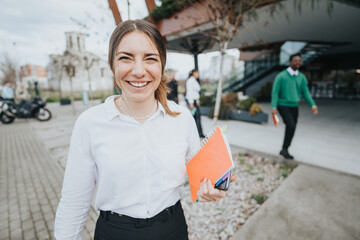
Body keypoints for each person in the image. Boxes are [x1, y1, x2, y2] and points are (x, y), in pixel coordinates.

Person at [54, 19, 236, 240]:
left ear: (161, 65)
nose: (139, 71)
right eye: (125, 58)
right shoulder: (89, 123)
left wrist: (213, 188)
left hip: (173, 229)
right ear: (113, 65)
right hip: (115, 233)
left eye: (150, 58)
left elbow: (201, 180)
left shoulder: (181, 118)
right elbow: (73, 204)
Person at [271, 53, 318, 159]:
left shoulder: (301, 77)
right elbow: (275, 92)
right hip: (282, 105)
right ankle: (285, 149)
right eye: (296, 60)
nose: (298, 63)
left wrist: (313, 105)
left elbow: (305, 92)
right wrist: (274, 107)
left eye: (299, 61)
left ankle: (284, 148)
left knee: (292, 128)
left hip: (294, 106)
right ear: (290, 62)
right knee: (291, 125)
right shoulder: (281, 76)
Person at [185, 69, 205, 138]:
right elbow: (190, 92)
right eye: (197, 73)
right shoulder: (191, 81)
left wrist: (197, 101)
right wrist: (191, 103)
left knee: (197, 118)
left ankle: (199, 133)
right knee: (195, 118)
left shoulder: (194, 80)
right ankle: (198, 133)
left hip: (195, 101)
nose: (198, 75)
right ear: (194, 73)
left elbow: (195, 92)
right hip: (192, 102)